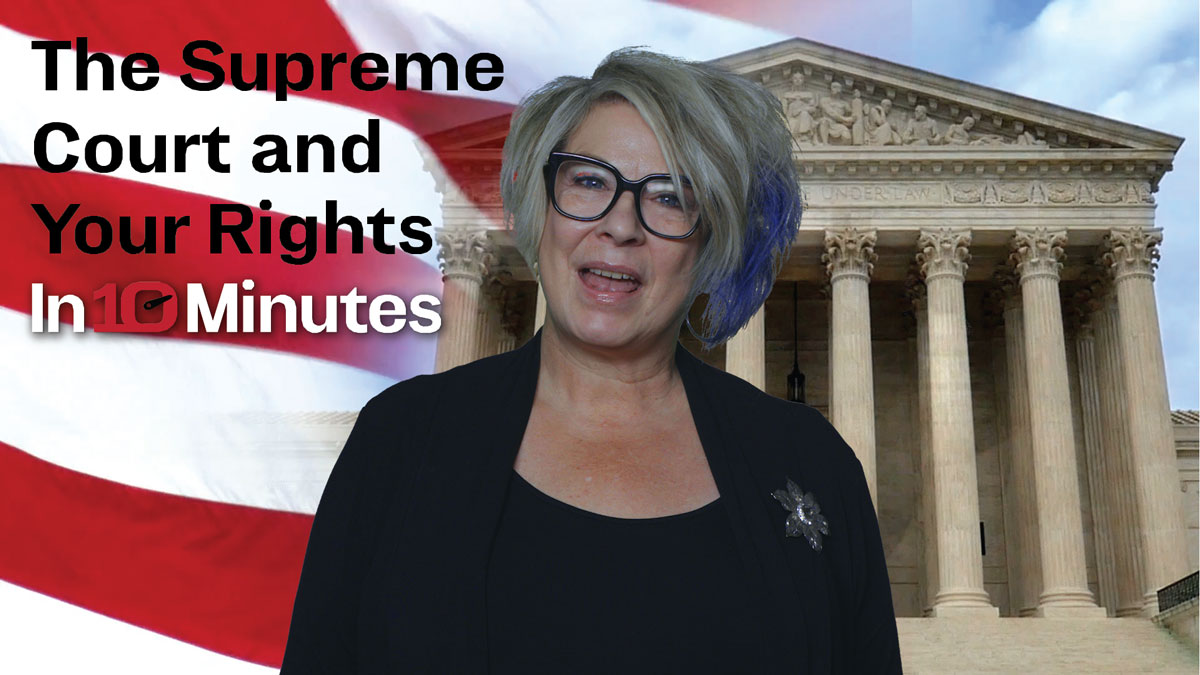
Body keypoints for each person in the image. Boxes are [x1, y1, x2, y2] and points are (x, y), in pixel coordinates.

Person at [280, 47, 903, 674]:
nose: (620, 225)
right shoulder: (402, 440)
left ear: (712, 239)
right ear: (540, 204)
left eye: (670, 197)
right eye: (588, 180)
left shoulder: (813, 466)